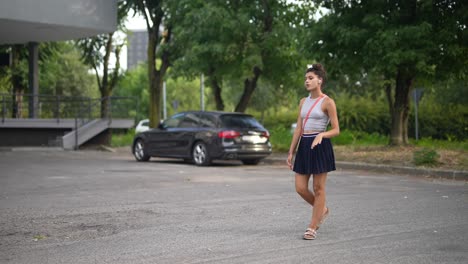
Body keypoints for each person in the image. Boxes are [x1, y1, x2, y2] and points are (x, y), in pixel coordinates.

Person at [286, 63, 340, 240]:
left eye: (310, 78)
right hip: (304, 145)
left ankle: (312, 226)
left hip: (320, 146)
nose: (307, 81)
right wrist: (290, 152)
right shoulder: (303, 102)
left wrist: (323, 135)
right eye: (306, 79)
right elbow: (298, 129)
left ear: (320, 80)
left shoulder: (327, 102)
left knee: (318, 188)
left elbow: (336, 129)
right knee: (300, 188)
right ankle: (322, 210)